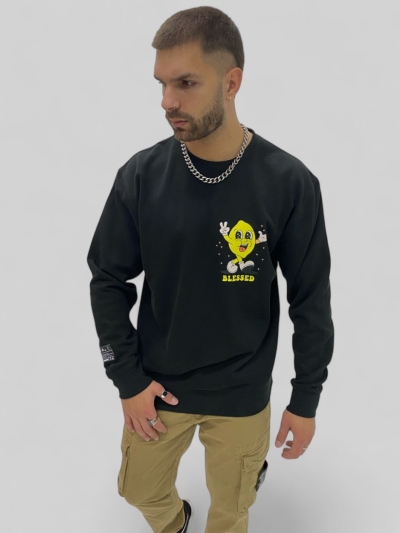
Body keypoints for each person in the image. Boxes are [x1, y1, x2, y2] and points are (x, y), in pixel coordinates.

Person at [86, 6, 334, 533]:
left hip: (243, 392)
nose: (167, 101)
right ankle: (176, 521)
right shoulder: (140, 176)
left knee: (231, 512)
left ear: (231, 82)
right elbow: (108, 278)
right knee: (137, 489)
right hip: (159, 386)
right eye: (161, 84)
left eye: (186, 83)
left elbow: (310, 298)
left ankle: (246, 475)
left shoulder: (289, 182)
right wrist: (126, 379)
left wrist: (305, 399)